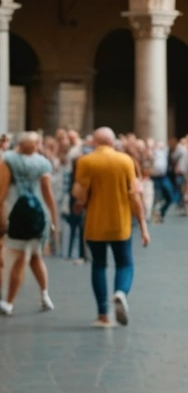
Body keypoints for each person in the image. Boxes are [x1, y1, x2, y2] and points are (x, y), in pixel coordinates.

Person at [72, 127, 150, 327]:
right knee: (125, 263)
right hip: (120, 223)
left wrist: (80, 202)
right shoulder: (125, 161)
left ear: (94, 142)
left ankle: (102, 315)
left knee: (99, 265)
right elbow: (135, 197)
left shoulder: (86, 161)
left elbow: (80, 195)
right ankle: (120, 292)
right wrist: (143, 225)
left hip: (95, 224)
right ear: (113, 141)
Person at [0, 131, 59, 315]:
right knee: (35, 256)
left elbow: (2, 190)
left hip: (16, 211)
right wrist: (52, 218)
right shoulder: (43, 163)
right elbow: (47, 192)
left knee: (19, 257)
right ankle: (44, 294)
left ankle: (9, 302)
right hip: (37, 213)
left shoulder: (9, 160)